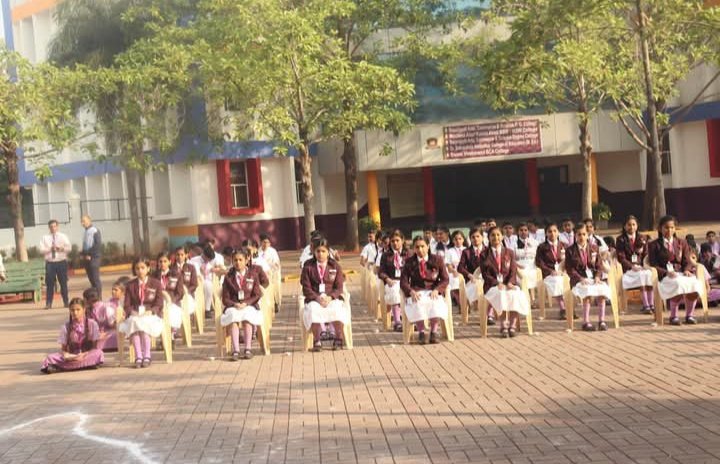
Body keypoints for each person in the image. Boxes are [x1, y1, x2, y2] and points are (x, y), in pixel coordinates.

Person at [648, 216, 703, 325]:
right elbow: (653, 264)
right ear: (660, 228)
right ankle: (673, 316)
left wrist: (687, 270)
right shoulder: (653, 245)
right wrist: (666, 272)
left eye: (672, 227)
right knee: (677, 283)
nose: (669, 230)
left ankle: (689, 315)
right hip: (665, 275)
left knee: (695, 283)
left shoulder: (682, 242)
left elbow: (687, 261)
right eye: (666, 227)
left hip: (681, 273)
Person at [301, 238, 350, 351]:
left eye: (323, 251)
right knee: (313, 309)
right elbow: (306, 288)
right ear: (314, 252)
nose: (320, 254)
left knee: (337, 309)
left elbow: (339, 287)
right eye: (318, 251)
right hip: (314, 298)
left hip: (331, 298)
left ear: (328, 252)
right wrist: (316, 298)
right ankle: (317, 340)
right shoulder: (308, 266)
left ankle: (338, 338)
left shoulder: (335, 266)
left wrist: (330, 297)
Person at [480, 226, 530, 337]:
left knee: (515, 294)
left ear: (502, 236)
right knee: (501, 294)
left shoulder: (509, 252)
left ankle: (512, 325)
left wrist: (510, 283)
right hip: (492, 286)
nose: (496, 237)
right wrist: (497, 283)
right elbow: (485, 274)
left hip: (508, 284)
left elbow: (513, 270)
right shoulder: (484, 254)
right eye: (493, 235)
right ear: (488, 238)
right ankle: (503, 325)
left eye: (498, 235)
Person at [400, 236, 449, 345]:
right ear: (413, 248)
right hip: (417, 290)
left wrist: (437, 289)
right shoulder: (409, 262)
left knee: (435, 302)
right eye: (417, 247)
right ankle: (421, 332)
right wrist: (410, 291)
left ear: (428, 246)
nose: (420, 249)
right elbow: (403, 282)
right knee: (418, 302)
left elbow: (445, 279)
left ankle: (433, 332)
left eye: (422, 246)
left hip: (433, 290)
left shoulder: (437, 259)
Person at [118, 257, 165, 368]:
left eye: (143, 268)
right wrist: (132, 312)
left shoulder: (156, 283)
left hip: (151, 315)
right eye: (137, 268)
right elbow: (127, 304)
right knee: (134, 323)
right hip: (136, 315)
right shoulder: (130, 285)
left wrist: (151, 311)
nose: (140, 271)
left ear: (148, 268)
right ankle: (138, 356)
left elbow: (159, 303)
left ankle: (147, 355)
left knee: (144, 325)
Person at [565, 224, 613, 331]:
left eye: (584, 234)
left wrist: (597, 277)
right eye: (579, 234)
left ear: (587, 235)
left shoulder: (594, 248)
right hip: (578, 279)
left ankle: (602, 321)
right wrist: (580, 278)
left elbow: (599, 266)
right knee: (587, 292)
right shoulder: (570, 250)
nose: (581, 237)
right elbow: (570, 269)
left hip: (592, 278)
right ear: (575, 236)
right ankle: (586, 322)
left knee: (602, 289)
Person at [220, 248, 264, 360]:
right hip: (233, 306)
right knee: (233, 318)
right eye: (235, 260)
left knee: (247, 317)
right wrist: (234, 304)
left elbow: (257, 295)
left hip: (249, 305)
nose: (238, 263)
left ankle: (248, 348)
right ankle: (236, 350)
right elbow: (225, 298)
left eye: (240, 260)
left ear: (246, 260)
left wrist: (246, 303)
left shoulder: (253, 275)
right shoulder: (228, 277)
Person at [41, 297, 105, 374]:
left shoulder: (92, 324)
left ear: (84, 310)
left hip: (86, 355)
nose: (75, 312)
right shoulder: (66, 327)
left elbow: (95, 347)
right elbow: (63, 349)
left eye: (78, 310)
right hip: (71, 357)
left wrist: (84, 354)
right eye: (72, 310)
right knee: (50, 357)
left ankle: (63, 367)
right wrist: (67, 355)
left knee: (98, 353)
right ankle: (85, 365)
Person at [616, 215, 655, 314]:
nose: (631, 227)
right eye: (629, 225)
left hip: (642, 267)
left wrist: (645, 265)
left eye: (634, 224)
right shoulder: (620, 239)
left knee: (649, 274)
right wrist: (632, 266)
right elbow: (621, 258)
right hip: (629, 270)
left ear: (637, 226)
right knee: (641, 276)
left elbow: (646, 255)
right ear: (624, 226)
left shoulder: (643, 238)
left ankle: (651, 304)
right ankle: (646, 305)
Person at [535, 222, 568, 319]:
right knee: (556, 281)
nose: (552, 233)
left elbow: (570, 261)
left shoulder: (564, 246)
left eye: (554, 231)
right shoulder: (542, 247)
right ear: (546, 234)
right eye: (549, 231)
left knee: (569, 281)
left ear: (558, 232)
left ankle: (570, 308)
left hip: (563, 272)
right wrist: (550, 271)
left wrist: (564, 271)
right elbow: (539, 262)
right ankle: (563, 308)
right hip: (549, 274)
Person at [378, 229, 408, 332]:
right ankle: (397, 322)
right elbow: (381, 272)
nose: (395, 243)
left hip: (406, 281)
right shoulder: (386, 255)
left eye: (397, 240)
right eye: (393, 241)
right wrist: (387, 279)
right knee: (395, 290)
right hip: (392, 281)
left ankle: (412, 321)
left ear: (402, 240)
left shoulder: (408, 254)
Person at [153, 251, 186, 341]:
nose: (162, 264)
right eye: (160, 262)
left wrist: (171, 300)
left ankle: (171, 336)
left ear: (170, 262)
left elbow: (180, 293)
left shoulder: (176, 275)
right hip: (158, 303)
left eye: (165, 261)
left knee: (171, 311)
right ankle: (162, 338)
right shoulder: (153, 276)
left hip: (173, 302)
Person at [39, 219, 71, 310]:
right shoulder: (45, 238)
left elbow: (69, 248)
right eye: (51, 227)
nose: (53, 228)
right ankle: (48, 303)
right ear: (49, 228)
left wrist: (61, 248)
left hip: (61, 261)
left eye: (54, 226)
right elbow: (41, 250)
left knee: (63, 283)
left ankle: (66, 302)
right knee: (50, 284)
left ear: (57, 227)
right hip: (50, 263)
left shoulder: (63, 236)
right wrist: (50, 249)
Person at [190, 244, 226, 319]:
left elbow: (218, 270)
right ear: (204, 255)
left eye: (210, 260)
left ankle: (207, 309)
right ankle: (199, 310)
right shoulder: (194, 261)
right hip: (196, 281)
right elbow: (196, 274)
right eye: (208, 259)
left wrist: (217, 270)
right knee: (207, 285)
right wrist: (200, 275)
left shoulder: (209, 263)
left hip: (208, 281)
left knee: (209, 285)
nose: (208, 261)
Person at [457, 227, 485, 310]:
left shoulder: (488, 250)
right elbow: (460, 267)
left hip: (487, 278)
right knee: (475, 287)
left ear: (482, 237)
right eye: (473, 237)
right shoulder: (466, 252)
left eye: (478, 236)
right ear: (470, 239)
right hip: (472, 279)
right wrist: (469, 275)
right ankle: (480, 309)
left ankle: (485, 311)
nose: (475, 239)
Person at [83, 287, 117, 351]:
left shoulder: (106, 308)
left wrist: (103, 333)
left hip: (109, 333)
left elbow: (113, 324)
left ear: (88, 300)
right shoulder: (89, 309)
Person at [515, 223, 539, 305]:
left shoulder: (534, 242)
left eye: (525, 230)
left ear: (528, 231)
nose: (523, 232)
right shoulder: (514, 243)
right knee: (523, 274)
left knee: (531, 273)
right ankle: (526, 299)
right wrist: (517, 265)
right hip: (519, 264)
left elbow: (538, 255)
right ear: (517, 232)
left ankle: (532, 299)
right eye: (521, 230)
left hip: (532, 264)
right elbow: (511, 258)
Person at [80, 215, 103, 298]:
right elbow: (86, 245)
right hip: (87, 258)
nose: (83, 223)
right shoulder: (85, 232)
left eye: (84, 221)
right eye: (81, 221)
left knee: (95, 278)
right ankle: (94, 297)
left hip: (94, 258)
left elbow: (97, 245)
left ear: (89, 220)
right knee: (91, 279)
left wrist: (89, 254)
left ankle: (99, 297)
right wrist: (82, 254)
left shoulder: (95, 231)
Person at [445, 230, 466, 309]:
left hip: (465, 273)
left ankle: (465, 305)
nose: (458, 241)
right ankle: (461, 305)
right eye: (455, 239)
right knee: (456, 289)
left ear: (463, 239)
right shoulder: (450, 251)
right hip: (454, 273)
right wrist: (453, 271)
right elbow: (448, 264)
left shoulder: (466, 249)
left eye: (460, 239)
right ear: (453, 240)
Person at [173, 246, 198, 310]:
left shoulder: (191, 268)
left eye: (182, 255)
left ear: (186, 255)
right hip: (175, 295)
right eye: (178, 255)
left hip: (187, 294)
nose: (180, 257)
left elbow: (194, 284)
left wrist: (186, 291)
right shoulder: (171, 269)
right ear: (175, 256)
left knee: (186, 306)